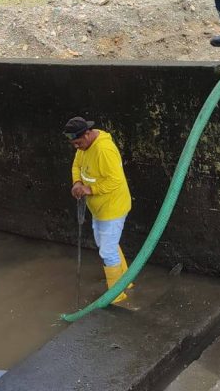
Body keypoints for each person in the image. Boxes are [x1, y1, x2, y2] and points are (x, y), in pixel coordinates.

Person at [66, 116, 134, 305]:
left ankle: (117, 295)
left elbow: (115, 180)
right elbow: (77, 165)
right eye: (73, 144)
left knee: (107, 251)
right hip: (98, 208)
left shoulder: (104, 150)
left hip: (112, 207)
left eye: (78, 142)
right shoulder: (83, 147)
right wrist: (77, 183)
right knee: (105, 244)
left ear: (87, 134)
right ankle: (125, 281)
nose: (76, 147)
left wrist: (90, 189)